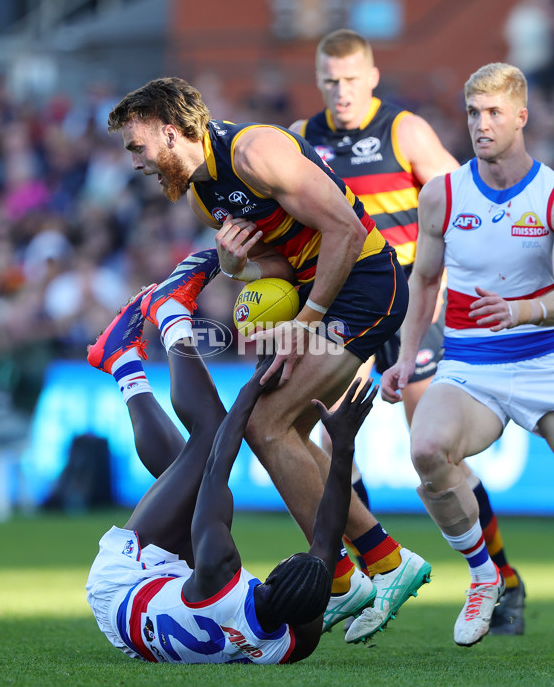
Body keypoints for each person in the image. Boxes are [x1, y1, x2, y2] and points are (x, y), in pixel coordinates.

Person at [107, 77, 433, 644]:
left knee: (262, 422)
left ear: (168, 130)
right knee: (278, 431)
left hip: (367, 283)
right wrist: (235, 269)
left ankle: (351, 574)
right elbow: (280, 267)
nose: (135, 162)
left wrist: (303, 325)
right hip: (321, 298)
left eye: (137, 147)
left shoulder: (255, 151)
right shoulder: (203, 196)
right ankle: (376, 563)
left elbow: (348, 230)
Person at [291, 29, 525, 640]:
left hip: (411, 308)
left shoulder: (404, 132)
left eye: (349, 79)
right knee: (332, 436)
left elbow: (461, 201)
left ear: (370, 77)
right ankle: (366, 576)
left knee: (431, 450)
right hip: (349, 310)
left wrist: (450, 285)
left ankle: (502, 577)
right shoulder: (300, 140)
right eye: (328, 80)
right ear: (318, 80)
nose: (339, 91)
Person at [85, 269, 379, 664]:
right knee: (181, 473)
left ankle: (170, 313)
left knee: (206, 438)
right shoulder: (298, 641)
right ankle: (121, 361)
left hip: (121, 585)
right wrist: (343, 448)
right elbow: (327, 536)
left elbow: (215, 468)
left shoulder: (218, 564)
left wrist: (254, 386)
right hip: (145, 627)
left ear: (274, 576)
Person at [381, 62, 554, 647]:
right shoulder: (443, 193)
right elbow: (424, 283)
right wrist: (407, 359)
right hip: (471, 364)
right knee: (427, 450)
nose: (481, 124)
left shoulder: (549, 193)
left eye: (494, 113)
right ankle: (485, 578)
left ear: (521, 118)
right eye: (474, 112)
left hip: (544, 358)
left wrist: (523, 311)